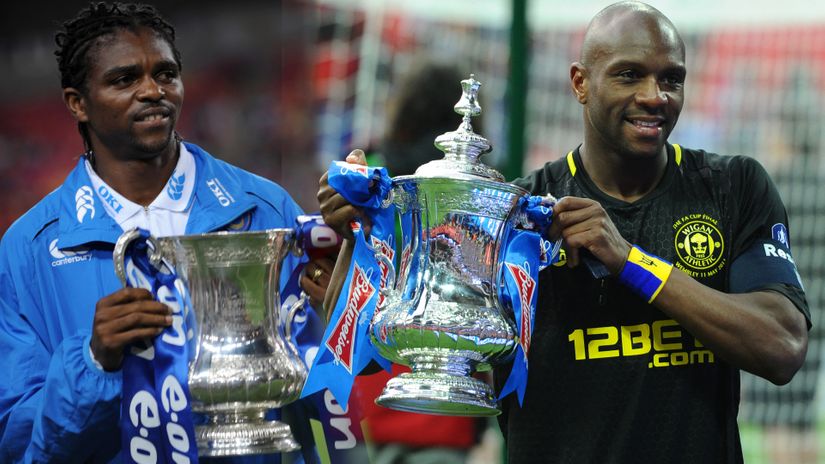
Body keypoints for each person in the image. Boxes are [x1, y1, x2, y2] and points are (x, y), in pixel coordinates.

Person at [316, 2, 811, 463]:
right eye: (629, 75)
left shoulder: (732, 187)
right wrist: (359, 233)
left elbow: (781, 346)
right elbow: (379, 358)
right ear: (580, 83)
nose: (654, 96)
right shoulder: (514, 217)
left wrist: (628, 261)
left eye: (671, 79)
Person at [0, 3, 330, 462]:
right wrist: (95, 362)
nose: (152, 91)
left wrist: (338, 297)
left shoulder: (264, 208)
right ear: (77, 103)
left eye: (166, 74)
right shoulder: (29, 248)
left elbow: (328, 364)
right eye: (124, 80)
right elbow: (17, 438)